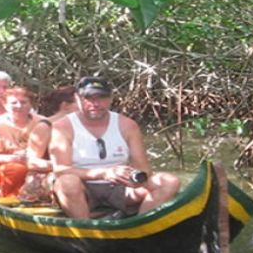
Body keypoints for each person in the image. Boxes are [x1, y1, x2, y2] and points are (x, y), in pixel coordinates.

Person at [50, 76, 180, 219]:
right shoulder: (62, 127)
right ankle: (86, 229)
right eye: (88, 98)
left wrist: (135, 178)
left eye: (101, 97)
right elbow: (61, 170)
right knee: (67, 182)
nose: (95, 103)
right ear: (78, 99)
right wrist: (103, 173)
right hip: (82, 188)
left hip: (120, 188)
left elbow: (144, 168)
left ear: (111, 99)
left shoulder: (127, 125)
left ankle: (140, 225)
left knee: (169, 181)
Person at [17, 86, 77, 203]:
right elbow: (31, 162)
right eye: (80, 102)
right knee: (70, 182)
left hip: (77, 173)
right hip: (45, 177)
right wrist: (63, 167)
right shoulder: (45, 126)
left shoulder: (84, 126)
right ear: (65, 105)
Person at [0, 87, 44, 197]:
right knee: (17, 169)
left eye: (24, 102)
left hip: (35, 164)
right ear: (5, 105)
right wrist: (17, 158)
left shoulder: (42, 122)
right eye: (14, 103)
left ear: (31, 105)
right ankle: (9, 198)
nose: (19, 106)